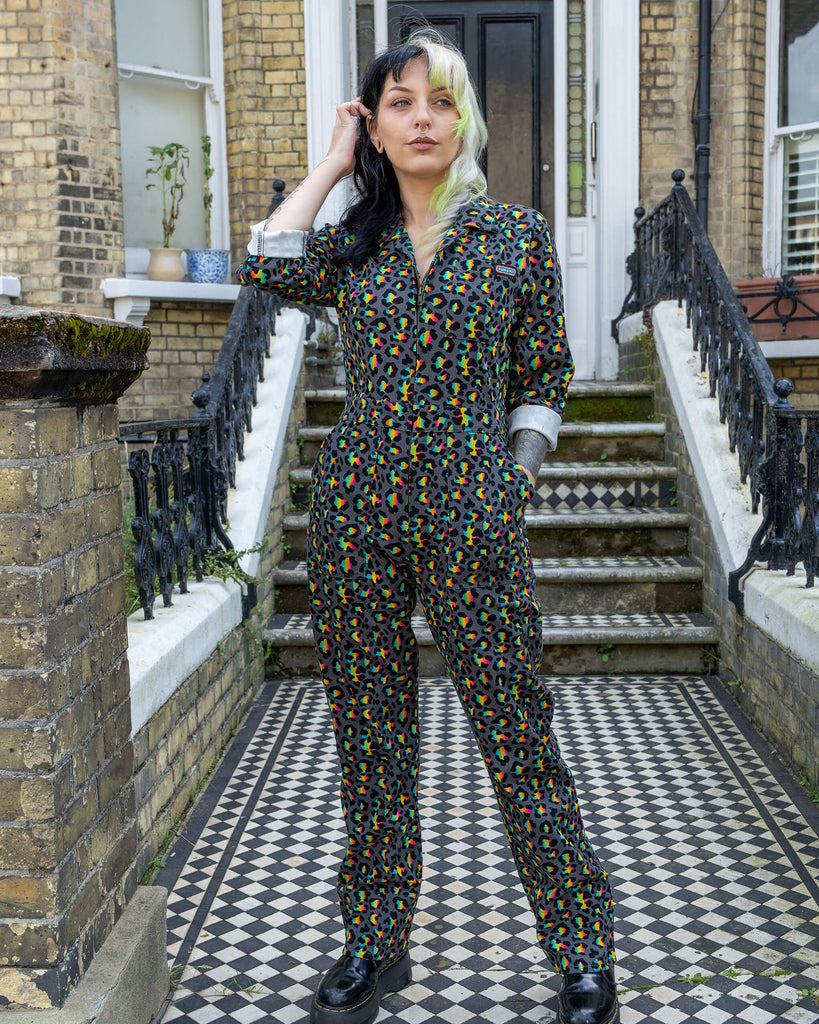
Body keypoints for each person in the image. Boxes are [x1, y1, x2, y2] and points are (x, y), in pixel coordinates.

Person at [237, 31, 618, 1024]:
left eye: (439, 101)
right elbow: (262, 263)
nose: (420, 119)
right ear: (379, 122)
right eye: (398, 102)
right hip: (357, 509)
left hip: (472, 514)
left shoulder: (515, 238)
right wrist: (330, 161)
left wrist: (512, 479)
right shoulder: (350, 241)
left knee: (515, 734)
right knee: (370, 736)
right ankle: (373, 940)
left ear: (465, 119)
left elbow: (543, 378)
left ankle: (580, 948)